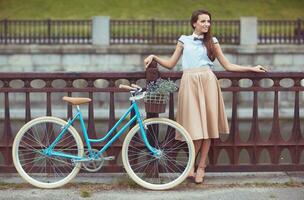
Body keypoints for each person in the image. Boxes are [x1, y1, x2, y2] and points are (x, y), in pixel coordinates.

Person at [144, 9, 267, 184]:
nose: (206, 24)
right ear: (194, 23)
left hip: (207, 82)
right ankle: (191, 166)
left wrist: (251, 68)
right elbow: (171, 64)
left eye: (208, 21)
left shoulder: (213, 42)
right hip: (189, 84)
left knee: (207, 128)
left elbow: (228, 65)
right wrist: (154, 56)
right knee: (193, 128)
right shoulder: (183, 40)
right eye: (203, 21)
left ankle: (199, 167)